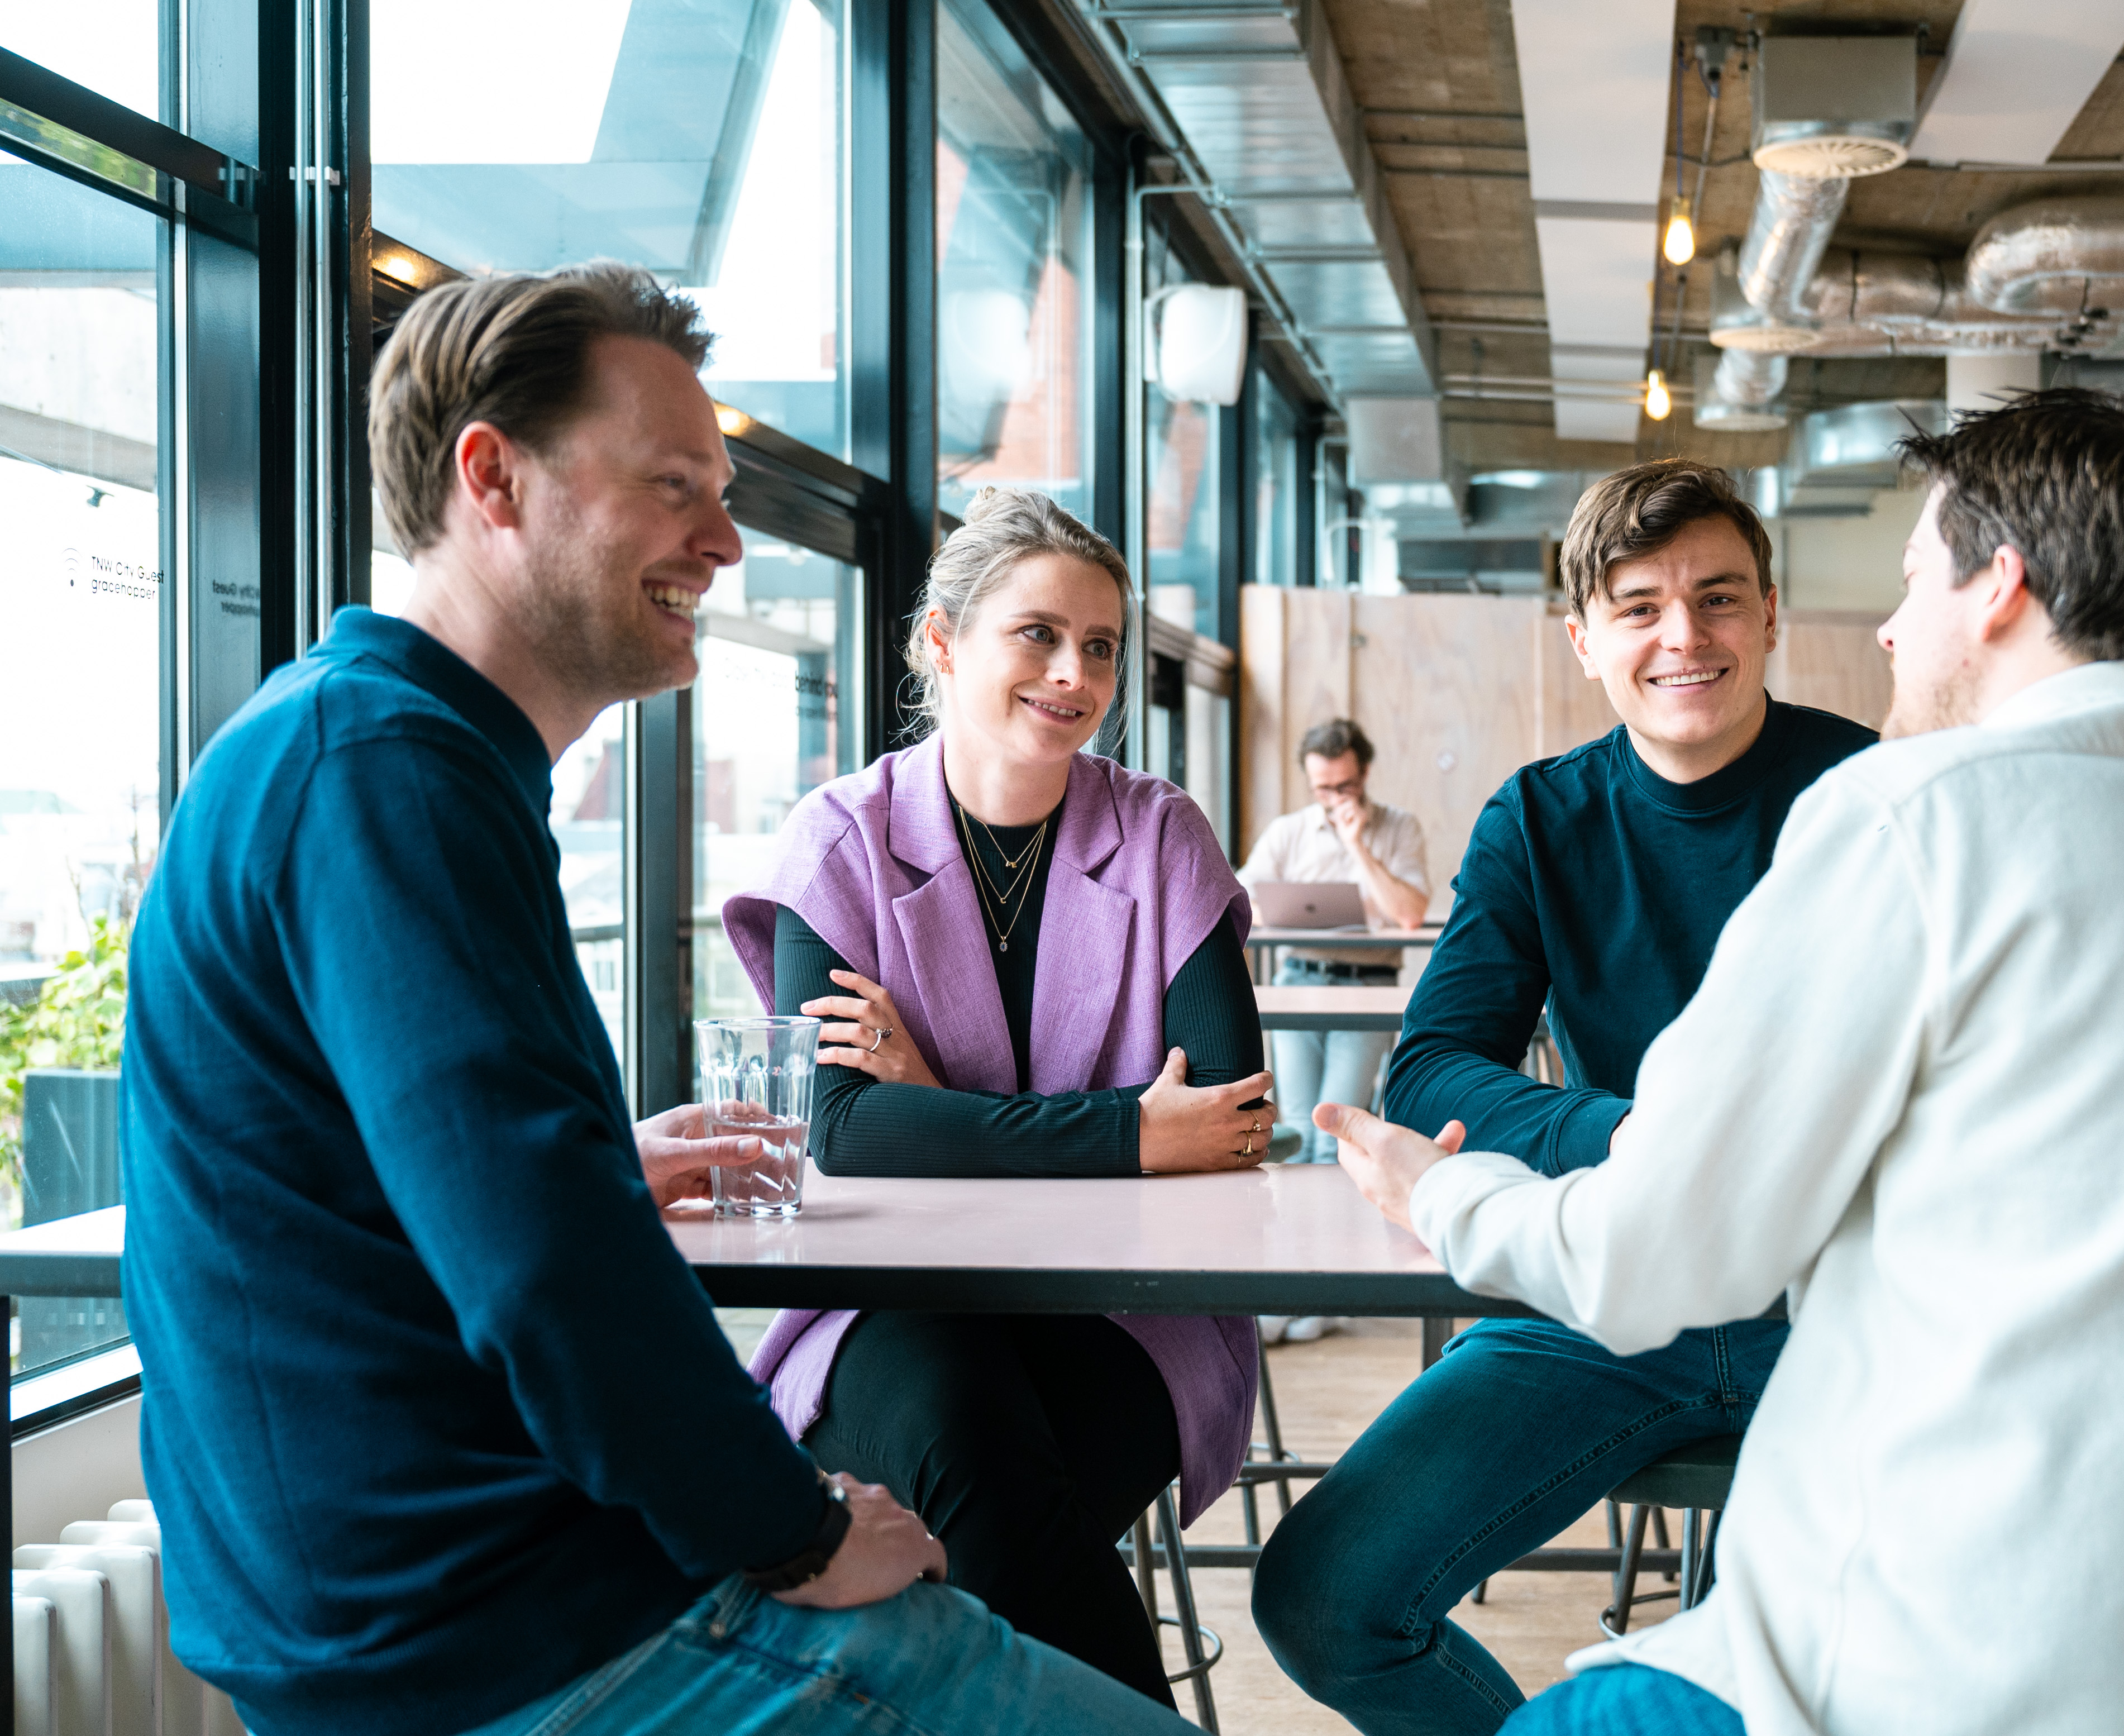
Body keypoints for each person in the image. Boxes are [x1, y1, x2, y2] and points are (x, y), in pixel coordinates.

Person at [1321, 387, 2124, 1736]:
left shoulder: (1907, 812)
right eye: (1637, 606)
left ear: (1999, 587)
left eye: (1910, 574)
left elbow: (1645, 1255)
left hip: (1932, 1674)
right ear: (1585, 637)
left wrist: (1440, 1197)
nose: (1886, 625)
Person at [119, 265, 1194, 1736]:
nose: (728, 538)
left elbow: (391, 1190)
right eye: (673, 483)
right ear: (490, 478)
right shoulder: (385, 775)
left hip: (421, 1590)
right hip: (496, 1616)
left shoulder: (380, 755)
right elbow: (544, 1273)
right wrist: (794, 1532)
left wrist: (589, 1161)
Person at [1250, 459, 1875, 1733]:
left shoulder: (1869, 801)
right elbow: (1431, 1066)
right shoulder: (1538, 817)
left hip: (1846, 1304)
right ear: (1584, 638)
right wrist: (1635, 1138)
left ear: (1767, 615)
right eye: (1639, 606)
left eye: (1714, 598)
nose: (1681, 636)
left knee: (1882, 1662)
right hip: (1608, 1283)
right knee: (1324, 1597)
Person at [718, 487, 1275, 1708]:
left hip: (1130, 1312)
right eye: (1037, 634)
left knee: (975, 1514)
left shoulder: (1162, 836)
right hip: (891, 1304)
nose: (1073, 673)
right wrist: (1130, 1129)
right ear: (940, 640)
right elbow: (852, 1135)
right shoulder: (841, 841)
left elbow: (1229, 1123)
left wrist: (941, 1104)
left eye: (1100, 647)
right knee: (979, 1454)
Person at [1238, 716, 1430, 1342]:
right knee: (1297, 1134)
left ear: (1363, 773)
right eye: (1323, 789)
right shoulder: (1289, 832)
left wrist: (1357, 848)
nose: (1334, 799)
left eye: (1343, 786)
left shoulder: (1398, 826)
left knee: (1335, 1137)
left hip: (1366, 990)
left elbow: (1408, 913)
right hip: (1298, 982)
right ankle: (1292, 1286)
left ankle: (1331, 1290)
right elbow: (1242, 899)